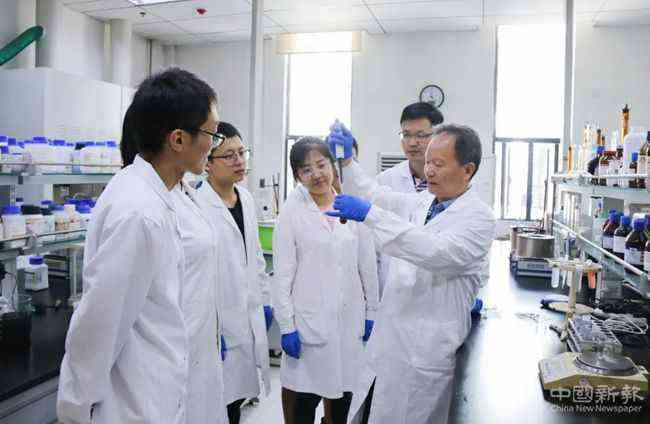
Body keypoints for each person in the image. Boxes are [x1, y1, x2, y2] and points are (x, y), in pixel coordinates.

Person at [57, 68, 225, 424]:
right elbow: (99, 325)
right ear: (178, 139)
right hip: (134, 403)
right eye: (212, 134)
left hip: (156, 390)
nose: (215, 145)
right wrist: (74, 410)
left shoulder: (160, 195)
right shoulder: (139, 213)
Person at [326, 123, 496, 424]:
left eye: (438, 164)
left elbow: (436, 252)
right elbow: (376, 195)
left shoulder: (479, 219)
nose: (428, 170)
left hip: (425, 352)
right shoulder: (424, 202)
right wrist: (349, 161)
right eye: (428, 162)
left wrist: (370, 215)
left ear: (467, 170)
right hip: (390, 341)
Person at [273, 137, 379, 424]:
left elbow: (367, 266)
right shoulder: (291, 213)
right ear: (297, 176)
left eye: (321, 165)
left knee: (343, 401)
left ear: (332, 165)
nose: (317, 174)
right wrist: (287, 326)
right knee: (303, 405)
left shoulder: (352, 208)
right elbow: (283, 276)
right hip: (307, 327)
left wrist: (372, 312)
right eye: (306, 170)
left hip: (349, 323)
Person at [196, 121, 272, 424]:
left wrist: (264, 301)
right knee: (213, 405)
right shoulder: (196, 204)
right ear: (207, 163)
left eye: (242, 152)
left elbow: (255, 258)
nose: (239, 161)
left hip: (245, 318)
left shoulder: (246, 199)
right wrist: (209, 328)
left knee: (236, 399)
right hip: (214, 322)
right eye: (229, 155)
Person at [375, 102, 443, 298]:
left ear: (438, 137)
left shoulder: (451, 184)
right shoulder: (385, 181)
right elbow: (374, 242)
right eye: (406, 135)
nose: (412, 143)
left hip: (435, 288)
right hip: (391, 288)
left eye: (421, 135)